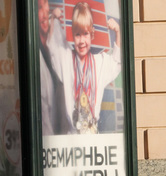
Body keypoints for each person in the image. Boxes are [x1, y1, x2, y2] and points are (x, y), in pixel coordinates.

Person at [48, 2, 121, 134]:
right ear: (72, 35)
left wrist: (117, 32)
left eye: (85, 34)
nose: (82, 41)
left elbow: (117, 62)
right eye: (77, 34)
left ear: (92, 35)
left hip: (92, 136)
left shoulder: (100, 63)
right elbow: (53, 49)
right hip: (72, 137)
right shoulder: (66, 60)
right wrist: (53, 19)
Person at [38, 0, 68, 136]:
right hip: (49, 142)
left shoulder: (55, 30)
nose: (45, 13)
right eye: (39, 8)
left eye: (45, 4)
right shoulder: (32, 50)